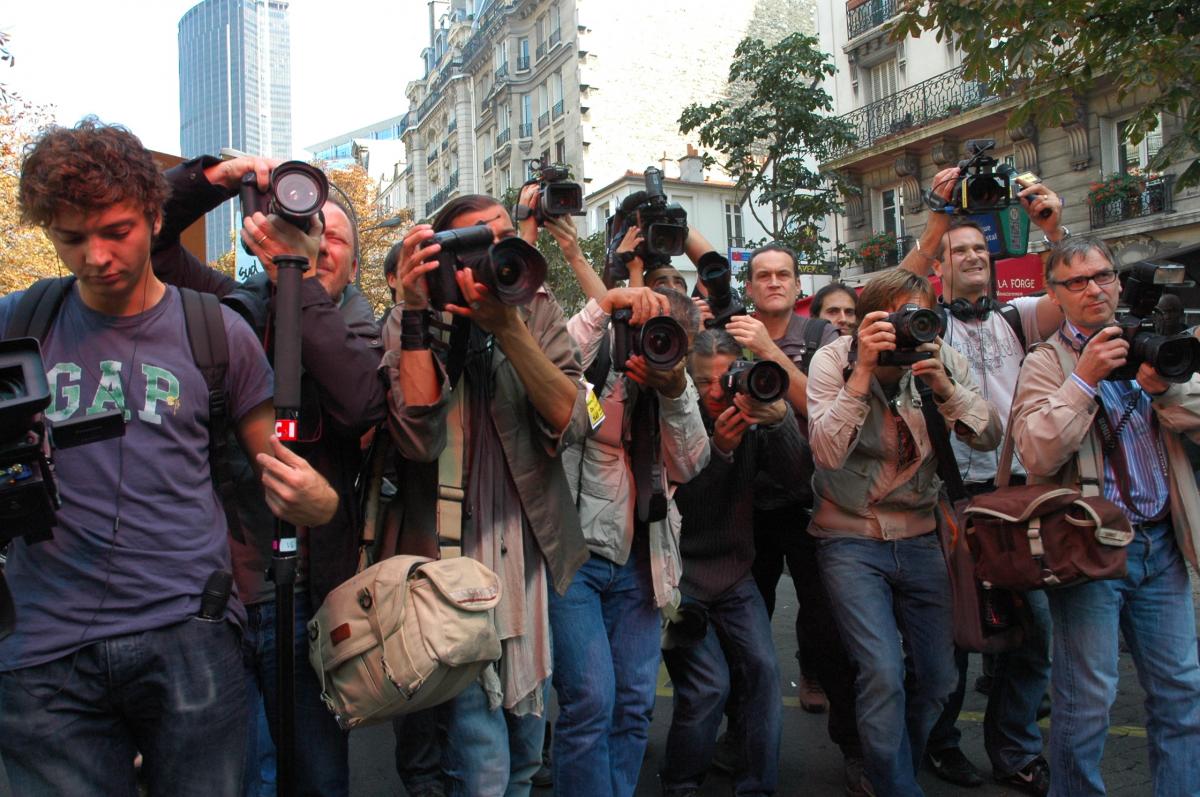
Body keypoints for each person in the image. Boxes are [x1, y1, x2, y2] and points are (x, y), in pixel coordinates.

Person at [0, 119, 337, 797]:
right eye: (72, 238)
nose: (96, 256)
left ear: (155, 218)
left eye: (116, 230)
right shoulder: (17, 323)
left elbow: (281, 469)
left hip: (188, 633)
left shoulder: (216, 331)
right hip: (43, 651)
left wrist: (318, 501)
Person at [151, 154, 389, 797]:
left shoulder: (363, 330)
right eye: (305, 228)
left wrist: (296, 277)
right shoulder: (230, 309)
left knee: (318, 775)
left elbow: (359, 404)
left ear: (355, 265)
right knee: (237, 777)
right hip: (217, 590)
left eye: (331, 238)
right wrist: (213, 181)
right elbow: (151, 243)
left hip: (308, 593)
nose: (316, 245)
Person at [386, 191, 590, 797]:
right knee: (481, 763)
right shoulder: (413, 314)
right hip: (447, 564)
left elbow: (573, 419)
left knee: (525, 754)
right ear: (444, 256)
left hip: (527, 556)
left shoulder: (538, 307)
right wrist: (418, 313)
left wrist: (509, 328)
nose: (495, 251)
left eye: (503, 237)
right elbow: (416, 439)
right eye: (475, 241)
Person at [1010, 237, 1200, 797]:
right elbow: (1036, 452)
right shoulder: (1046, 361)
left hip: (1161, 544)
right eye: (1076, 281)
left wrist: (1166, 391)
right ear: (1054, 294)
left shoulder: (1155, 344)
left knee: (1182, 692)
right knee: (1088, 700)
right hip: (1091, 550)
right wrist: (1085, 379)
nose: (1093, 289)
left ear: (1118, 282)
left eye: (1103, 276)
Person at [898, 168, 1067, 793]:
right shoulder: (924, 322)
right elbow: (893, 291)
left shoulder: (1020, 318)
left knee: (1035, 636)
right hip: (950, 500)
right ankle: (940, 744)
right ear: (942, 267)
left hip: (1019, 496)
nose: (973, 257)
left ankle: (1015, 747)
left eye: (979, 249)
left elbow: (1077, 296)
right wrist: (938, 215)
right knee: (955, 638)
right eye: (959, 250)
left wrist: (1053, 231)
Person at [807, 268, 1001, 795]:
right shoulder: (834, 359)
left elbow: (989, 437)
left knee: (939, 677)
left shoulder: (941, 357)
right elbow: (825, 453)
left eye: (920, 315)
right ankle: (896, 786)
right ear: (869, 319)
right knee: (882, 672)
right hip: (849, 536)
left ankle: (892, 771)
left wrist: (945, 388)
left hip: (919, 536)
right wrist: (863, 372)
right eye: (897, 316)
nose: (908, 326)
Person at [552, 280, 709, 797]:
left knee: (635, 704)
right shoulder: (597, 360)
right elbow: (549, 370)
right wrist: (604, 307)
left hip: (645, 560)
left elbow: (690, 463)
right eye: (650, 333)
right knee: (589, 702)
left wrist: (675, 391)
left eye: (670, 340)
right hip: (576, 553)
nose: (656, 346)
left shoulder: (678, 388)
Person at [660, 328, 811, 797]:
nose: (715, 391)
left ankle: (757, 786)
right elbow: (682, 507)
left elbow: (797, 480)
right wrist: (720, 452)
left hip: (733, 574)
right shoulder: (676, 417)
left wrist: (779, 419)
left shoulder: (750, 417)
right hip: (678, 577)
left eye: (726, 378)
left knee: (764, 673)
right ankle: (681, 783)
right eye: (704, 380)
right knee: (708, 686)